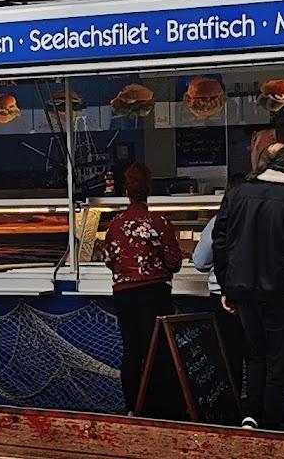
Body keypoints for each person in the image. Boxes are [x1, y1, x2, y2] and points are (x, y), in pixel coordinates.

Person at [213, 143, 284, 430]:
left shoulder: (237, 193)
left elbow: (220, 243)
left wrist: (226, 288)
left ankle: (250, 416)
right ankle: (270, 424)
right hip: (283, 294)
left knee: (255, 355)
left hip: (243, 291)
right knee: (278, 363)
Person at [104, 162, 183, 416]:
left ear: (126, 190)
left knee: (131, 349)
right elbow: (174, 262)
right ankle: (156, 407)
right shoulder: (158, 222)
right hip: (154, 293)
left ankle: (132, 406)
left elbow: (108, 260)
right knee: (156, 350)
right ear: (149, 188)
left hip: (124, 294)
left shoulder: (115, 225)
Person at [192, 173, 247, 396]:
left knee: (227, 357)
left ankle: (229, 408)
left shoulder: (218, 221)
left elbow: (200, 261)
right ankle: (255, 412)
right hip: (256, 296)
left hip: (222, 298)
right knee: (256, 356)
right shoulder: (260, 221)